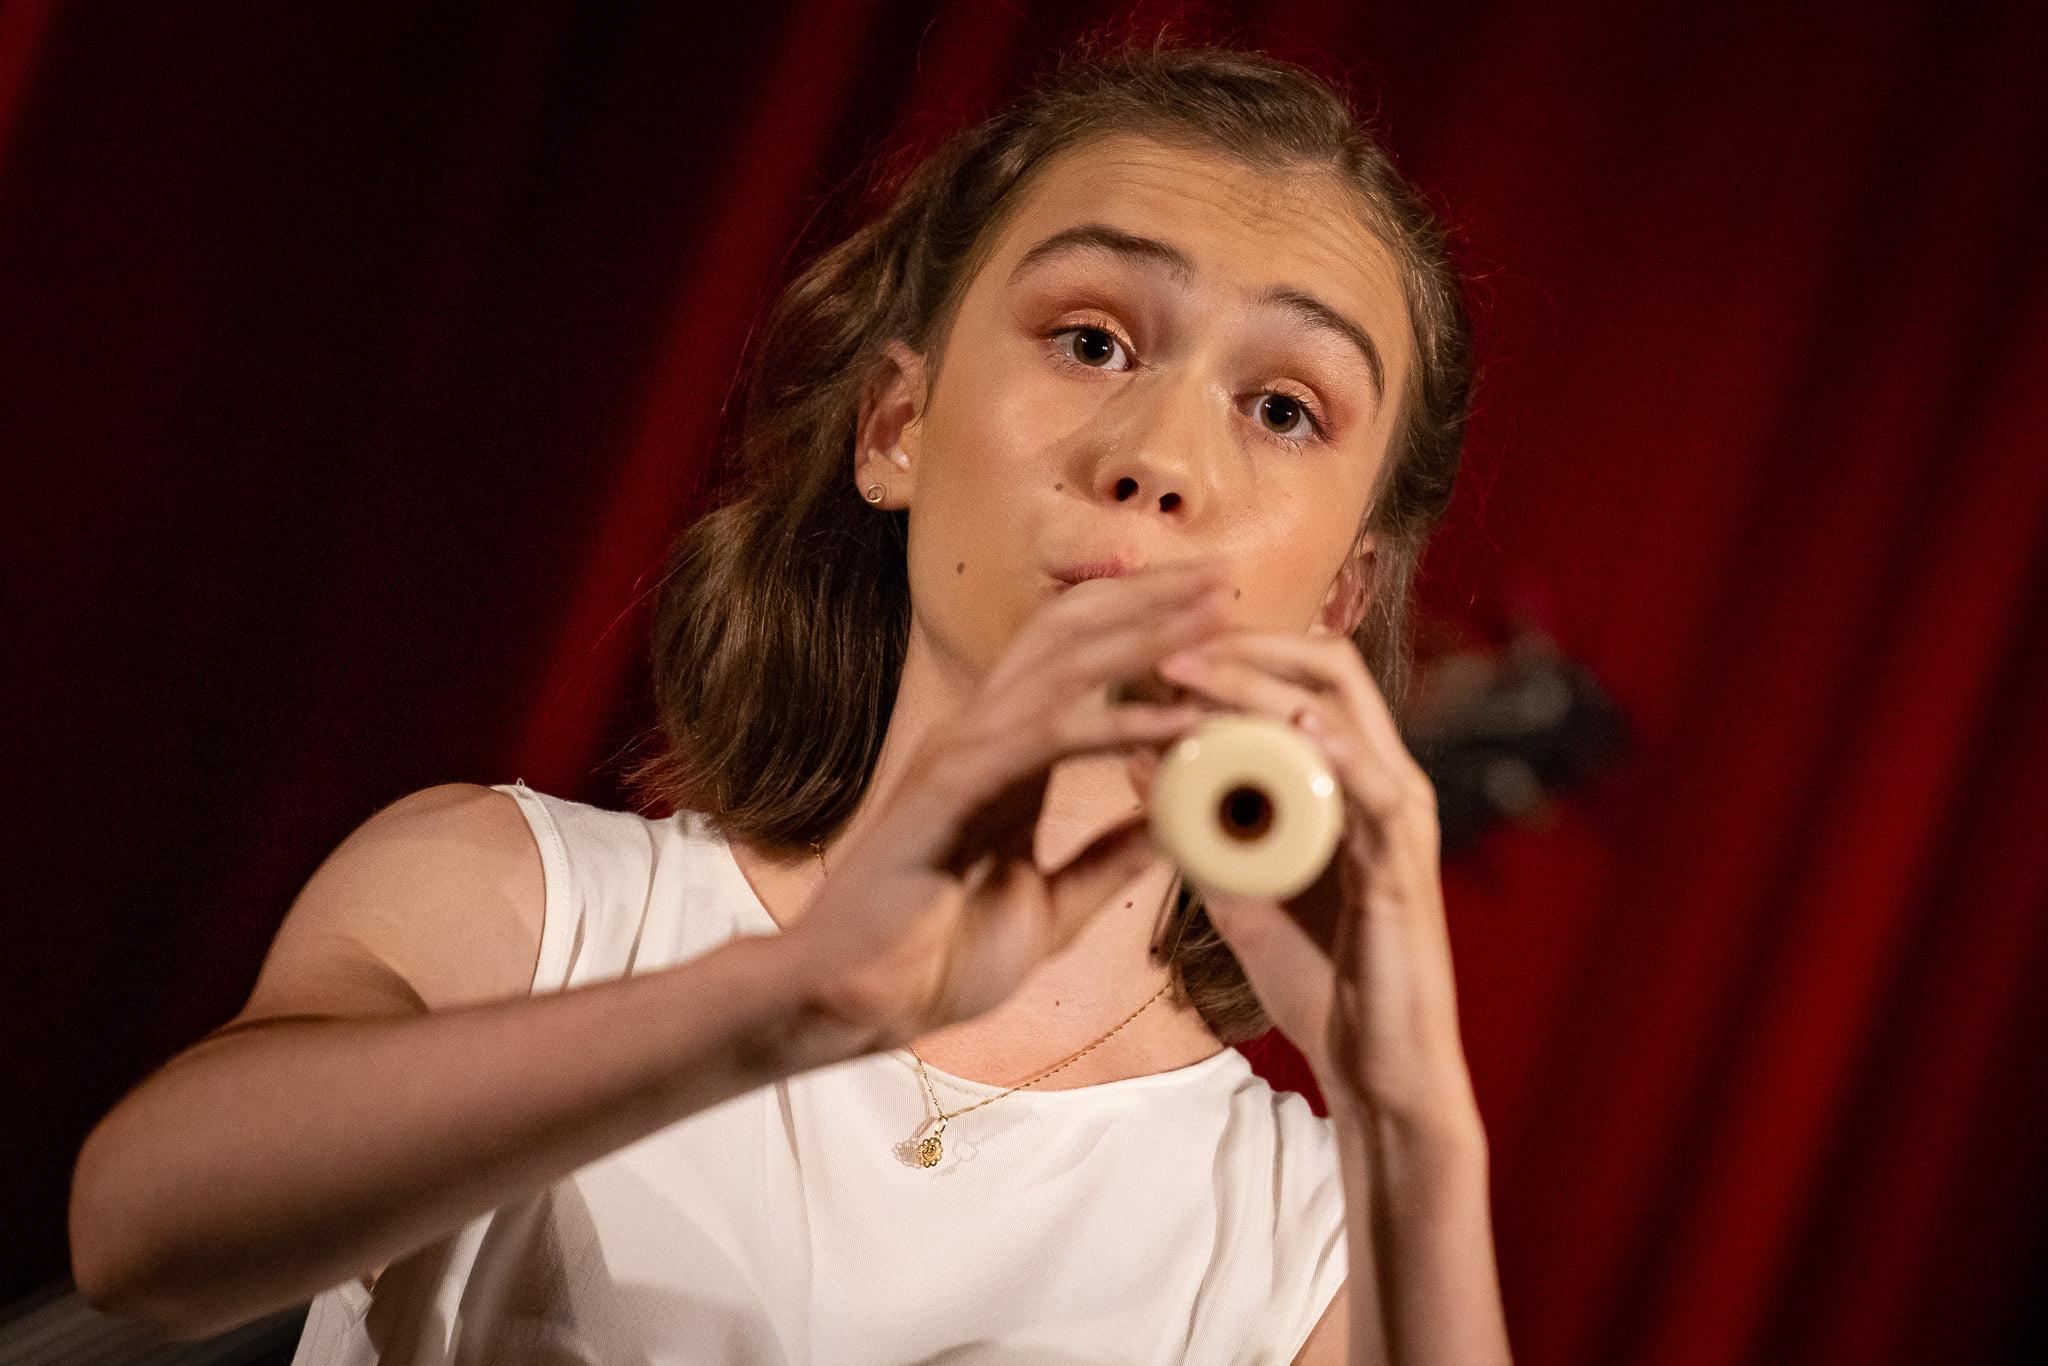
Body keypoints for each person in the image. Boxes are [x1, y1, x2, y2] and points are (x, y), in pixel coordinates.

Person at [69, 33, 1493, 1365]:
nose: (1160, 458)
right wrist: (794, 999)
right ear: (897, 426)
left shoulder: (1321, 1250)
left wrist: (1414, 1130)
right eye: (1092, 340)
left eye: (1283, 408)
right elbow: (140, 1239)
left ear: (1343, 592)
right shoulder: (510, 902)